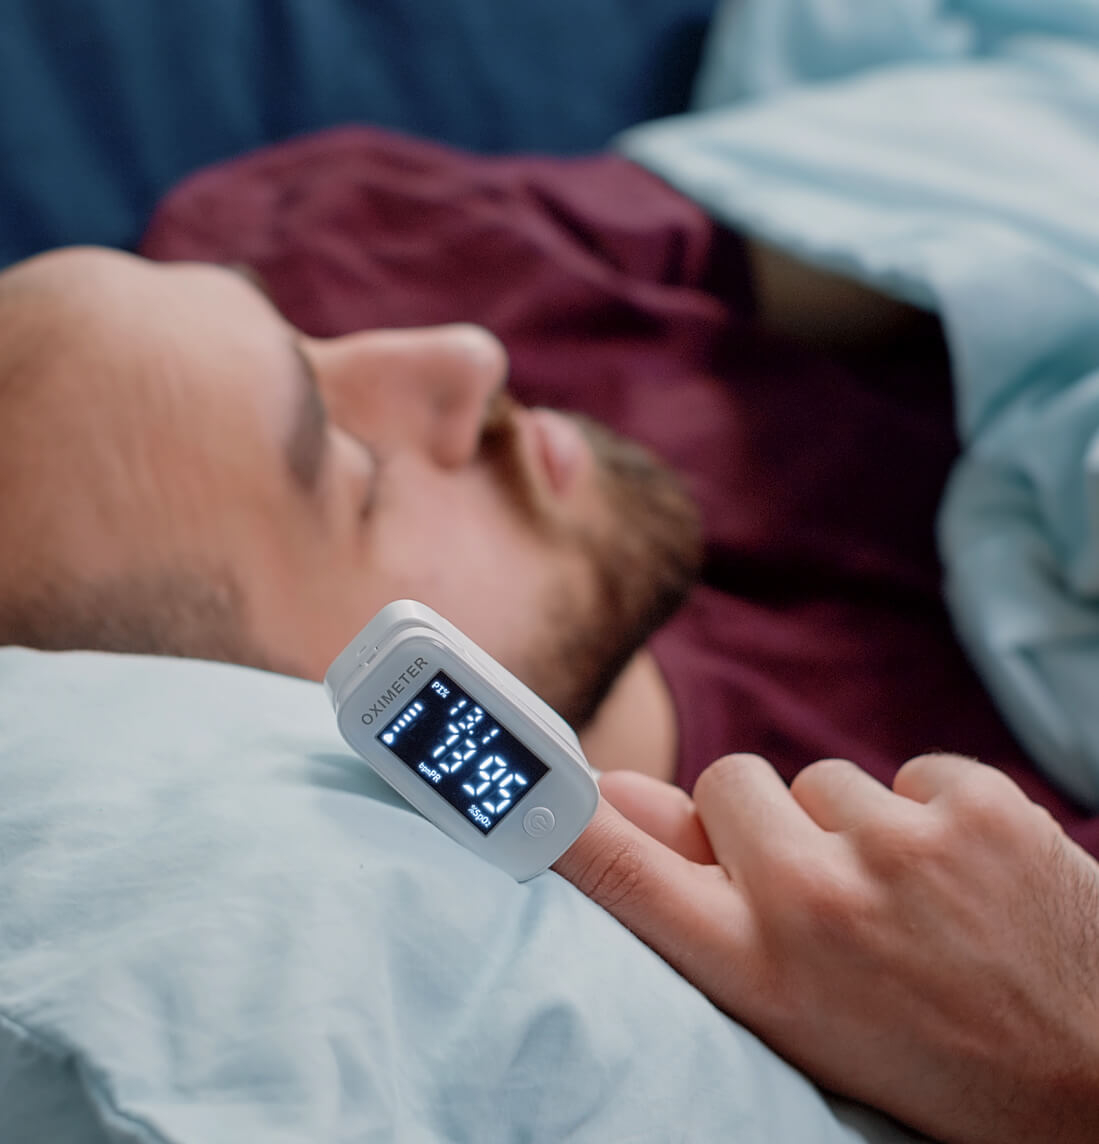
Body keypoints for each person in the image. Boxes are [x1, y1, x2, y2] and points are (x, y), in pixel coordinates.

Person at [1, 125, 1098, 1141]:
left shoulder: (341, 242)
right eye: (355, 472)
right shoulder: (870, 1017)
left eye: (300, 332)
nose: (464, 354)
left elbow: (966, 207)